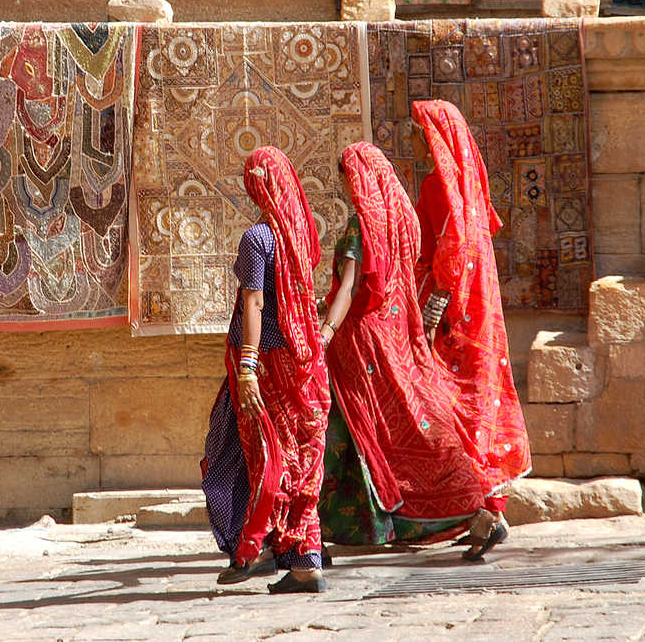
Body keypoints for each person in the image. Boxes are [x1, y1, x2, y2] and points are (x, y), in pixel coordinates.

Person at [316, 141, 498, 555]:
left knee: (365, 432)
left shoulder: (360, 227)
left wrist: (326, 330)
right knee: (411, 425)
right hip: (399, 334)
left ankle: (472, 510)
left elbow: (349, 288)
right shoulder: (401, 222)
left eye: (345, 178)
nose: (344, 187)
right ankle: (470, 510)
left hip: (362, 345)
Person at [201, 146, 330, 594]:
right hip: (304, 363)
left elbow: (254, 302)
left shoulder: (258, 239)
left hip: (268, 361)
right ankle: (302, 557)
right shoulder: (302, 235)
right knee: (298, 456)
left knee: (263, 454)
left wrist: (248, 368)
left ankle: (255, 547)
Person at [410, 100, 532, 559]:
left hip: (454, 319)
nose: (420, 144)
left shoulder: (437, 188)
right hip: (482, 314)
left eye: (424, 135)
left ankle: (482, 512)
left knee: (449, 409)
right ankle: (490, 509)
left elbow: (449, 252)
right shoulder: (470, 190)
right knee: (483, 401)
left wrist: (430, 313)